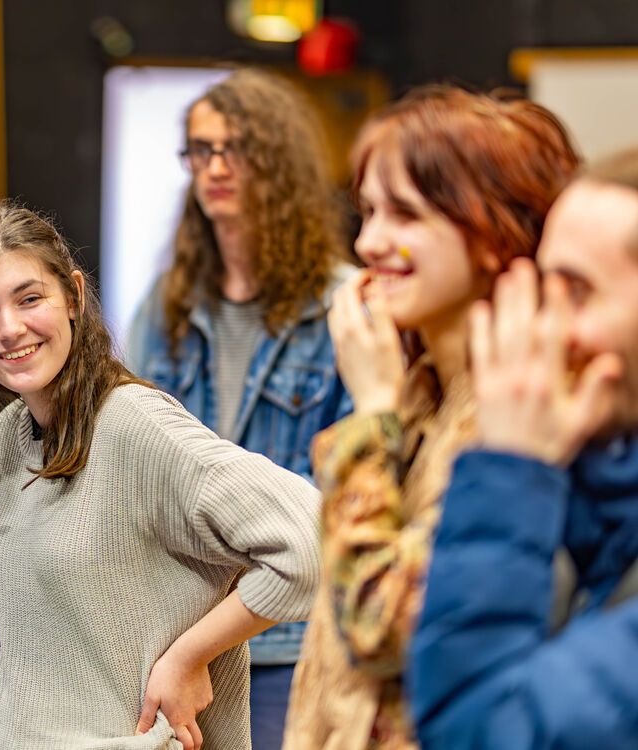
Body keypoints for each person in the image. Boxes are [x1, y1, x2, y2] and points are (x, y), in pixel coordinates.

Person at [0, 202, 323, 750]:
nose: (10, 328)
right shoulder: (10, 435)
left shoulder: (135, 424)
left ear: (75, 297)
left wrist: (189, 656)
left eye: (30, 298)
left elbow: (311, 542)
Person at [281, 86, 579, 750]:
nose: (371, 242)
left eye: (407, 215)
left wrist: (372, 418)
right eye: (368, 211)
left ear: (495, 232)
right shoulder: (416, 393)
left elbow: (384, 625)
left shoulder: (520, 413)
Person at [126, 68, 351, 747]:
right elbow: (126, 455)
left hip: (291, 637)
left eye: (236, 149)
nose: (215, 167)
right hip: (175, 633)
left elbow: (352, 493)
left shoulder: (343, 307)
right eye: (201, 150)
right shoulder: (168, 304)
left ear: (276, 161)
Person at [407, 148, 638, 748]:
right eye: (545, 289)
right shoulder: (593, 476)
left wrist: (514, 473)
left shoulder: (521, 460)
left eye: (578, 294)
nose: (546, 327)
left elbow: (477, 727)